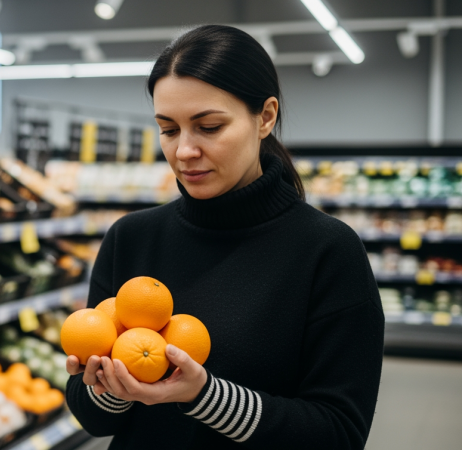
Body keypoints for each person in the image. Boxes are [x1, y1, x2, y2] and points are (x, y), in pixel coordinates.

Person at [64, 24, 384, 449]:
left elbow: (339, 433)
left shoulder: (327, 251)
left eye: (209, 127)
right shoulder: (131, 238)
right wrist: (112, 388)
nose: (184, 152)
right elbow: (93, 420)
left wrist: (205, 395)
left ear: (265, 117)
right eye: (169, 129)